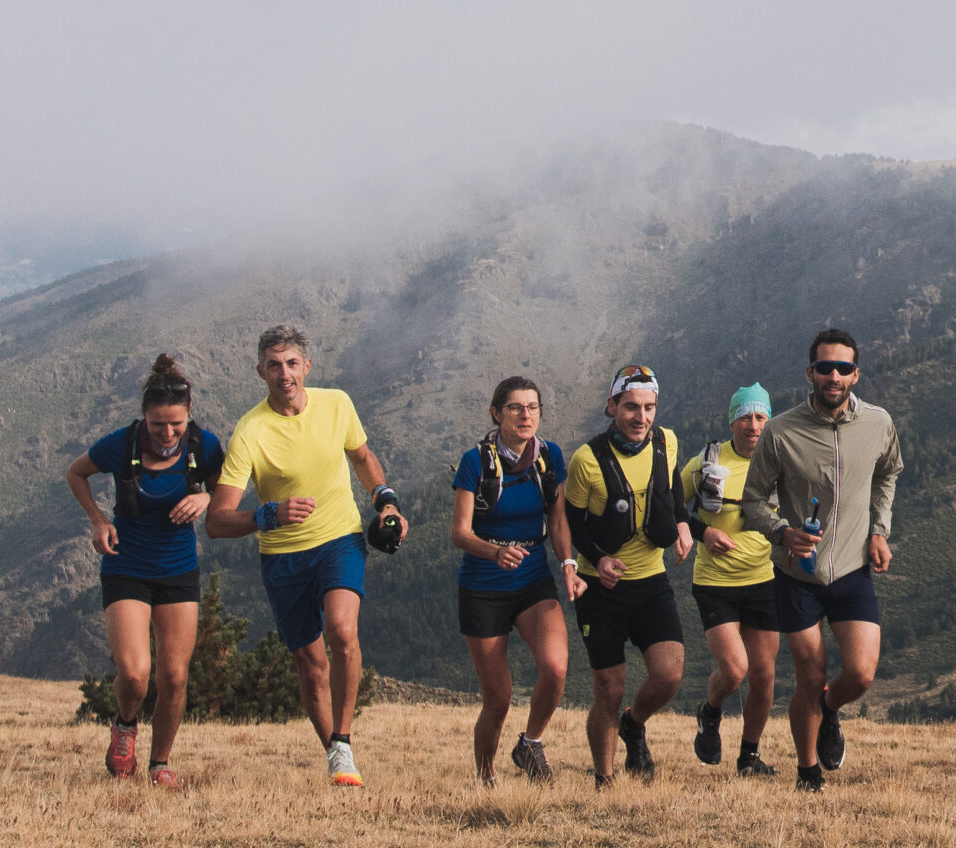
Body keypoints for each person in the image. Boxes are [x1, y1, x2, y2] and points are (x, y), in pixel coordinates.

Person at [205, 325, 407, 788]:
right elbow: (217, 521)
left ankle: (344, 739)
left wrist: (385, 499)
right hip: (283, 556)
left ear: (307, 367)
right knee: (310, 662)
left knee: (341, 630)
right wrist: (267, 515)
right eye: (274, 366)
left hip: (340, 538)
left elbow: (361, 456)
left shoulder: (337, 404)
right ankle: (338, 753)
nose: (284, 374)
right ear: (261, 372)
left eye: (292, 364)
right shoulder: (250, 431)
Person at [739, 329, 903, 793]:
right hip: (797, 576)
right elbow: (752, 503)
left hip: (851, 569)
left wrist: (879, 530)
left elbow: (888, 472)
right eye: (825, 367)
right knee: (809, 675)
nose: (834, 376)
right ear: (809, 373)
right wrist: (781, 532)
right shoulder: (780, 431)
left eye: (844, 368)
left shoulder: (877, 422)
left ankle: (829, 711)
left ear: (856, 374)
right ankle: (807, 772)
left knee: (861, 673)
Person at [64, 354, 225, 790]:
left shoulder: (203, 446)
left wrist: (207, 499)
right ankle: (125, 725)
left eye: (176, 424)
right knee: (135, 673)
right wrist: (99, 520)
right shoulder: (123, 443)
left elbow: (226, 486)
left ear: (189, 415)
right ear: (144, 417)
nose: (168, 433)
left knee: (174, 675)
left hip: (178, 570)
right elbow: (76, 473)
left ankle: (160, 764)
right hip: (127, 566)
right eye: (158, 425)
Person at [563, 364, 694, 788]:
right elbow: (572, 522)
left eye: (649, 407)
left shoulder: (666, 442)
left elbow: (671, 486)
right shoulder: (587, 461)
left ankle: (633, 724)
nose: (641, 417)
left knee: (669, 674)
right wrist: (597, 558)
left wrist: (683, 523)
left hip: (650, 582)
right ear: (611, 407)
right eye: (631, 407)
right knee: (609, 687)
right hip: (601, 588)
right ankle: (605, 779)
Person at [449, 376, 584, 787]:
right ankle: (486, 779)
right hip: (482, 587)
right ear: (496, 413)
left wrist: (567, 563)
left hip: (533, 581)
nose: (526, 415)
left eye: (532, 407)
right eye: (515, 407)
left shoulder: (550, 458)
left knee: (556, 667)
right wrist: (495, 552)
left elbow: (557, 518)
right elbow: (459, 532)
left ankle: (531, 743)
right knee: (498, 697)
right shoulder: (476, 462)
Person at [682, 383, 780, 778]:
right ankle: (710, 712)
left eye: (760, 417)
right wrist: (703, 532)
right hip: (715, 582)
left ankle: (749, 757)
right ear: (732, 421)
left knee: (764, 675)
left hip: (762, 578)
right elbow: (669, 506)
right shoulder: (706, 462)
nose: (753, 425)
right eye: (745, 417)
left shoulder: (779, 462)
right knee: (736, 669)